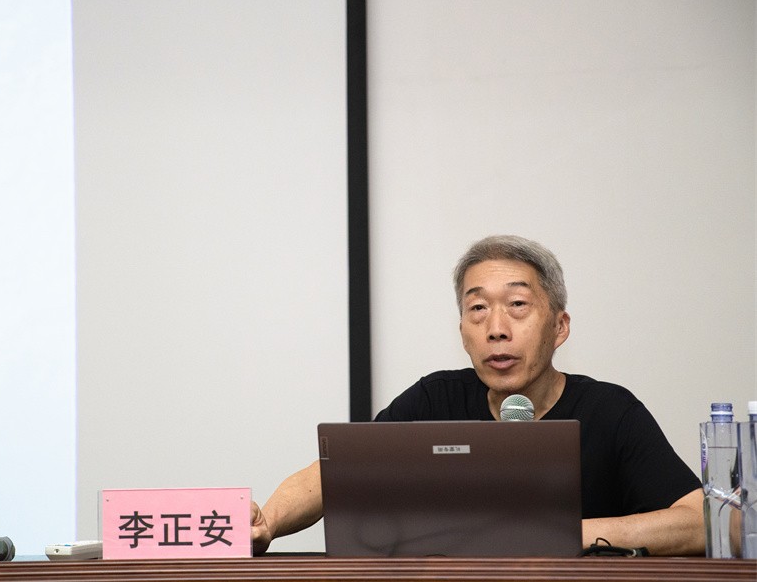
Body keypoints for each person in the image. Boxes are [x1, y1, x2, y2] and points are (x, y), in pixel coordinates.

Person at [250, 235, 704, 556]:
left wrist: (565, 534)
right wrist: (268, 522)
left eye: (518, 305)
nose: (496, 328)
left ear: (559, 327)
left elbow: (704, 522)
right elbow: (333, 474)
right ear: (462, 331)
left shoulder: (610, 411)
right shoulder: (434, 400)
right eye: (478, 309)